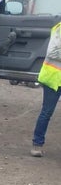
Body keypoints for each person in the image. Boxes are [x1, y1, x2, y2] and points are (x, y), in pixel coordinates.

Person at [30, 21, 61, 157]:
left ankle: (37, 144)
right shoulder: (59, 29)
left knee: (46, 112)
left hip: (53, 76)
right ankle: (37, 145)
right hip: (54, 77)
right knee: (47, 112)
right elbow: (53, 52)